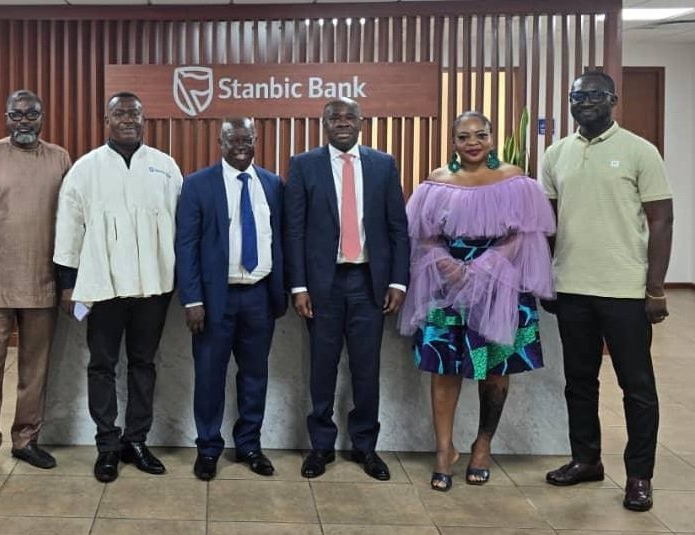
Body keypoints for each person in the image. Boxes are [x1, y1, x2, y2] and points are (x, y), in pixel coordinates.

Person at [400, 111, 555, 492]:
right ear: (453, 142)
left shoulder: (516, 179)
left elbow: (528, 232)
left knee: (495, 370)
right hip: (446, 285)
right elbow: (423, 234)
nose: (473, 143)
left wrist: (489, 264)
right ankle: (443, 451)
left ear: (491, 138)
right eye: (464, 136)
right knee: (444, 368)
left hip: (501, 286)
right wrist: (445, 263)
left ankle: (482, 446)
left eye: (480, 135)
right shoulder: (436, 182)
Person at [541, 70, 674, 512]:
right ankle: (586, 460)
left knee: (636, 386)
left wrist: (655, 288)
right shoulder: (556, 153)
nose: (585, 102)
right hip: (572, 288)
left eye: (595, 95)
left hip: (625, 290)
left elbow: (661, 220)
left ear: (613, 100)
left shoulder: (639, 150)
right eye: (578, 96)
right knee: (579, 383)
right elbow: (548, 226)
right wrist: (547, 278)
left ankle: (639, 476)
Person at [54, 91, 183, 483]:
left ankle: (136, 440)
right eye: (119, 113)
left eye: (134, 113)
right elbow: (67, 229)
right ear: (106, 120)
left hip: (153, 288)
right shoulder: (85, 169)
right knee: (102, 365)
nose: (127, 119)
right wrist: (67, 285)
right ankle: (107, 445)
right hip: (102, 287)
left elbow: (182, 226)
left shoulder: (165, 167)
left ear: (145, 120)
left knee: (144, 364)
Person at [284, 97, 409, 480]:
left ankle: (365, 446)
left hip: (368, 281)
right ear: (324, 124)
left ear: (361, 122)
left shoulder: (383, 165)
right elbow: (295, 229)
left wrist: (397, 280)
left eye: (349, 116)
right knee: (321, 368)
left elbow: (396, 228)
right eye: (334, 117)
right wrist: (299, 286)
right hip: (322, 284)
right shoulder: (303, 165)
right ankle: (321, 447)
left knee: (365, 369)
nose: (342, 122)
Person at [0, 90, 72, 483]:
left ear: (43, 117)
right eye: (16, 114)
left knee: (35, 369)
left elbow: (70, 220)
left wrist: (67, 281)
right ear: (6, 117)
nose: (24, 121)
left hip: (42, 281)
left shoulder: (59, 158)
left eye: (31, 114)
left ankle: (25, 440)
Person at [175, 117, 287, 481]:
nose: (240, 144)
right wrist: (192, 299)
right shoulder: (197, 185)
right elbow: (186, 246)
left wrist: (284, 291)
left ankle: (249, 445)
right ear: (219, 143)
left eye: (246, 138)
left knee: (255, 376)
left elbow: (280, 241)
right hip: (214, 299)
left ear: (256, 140)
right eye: (232, 139)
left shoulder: (272, 184)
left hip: (259, 296)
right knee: (209, 376)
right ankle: (208, 448)